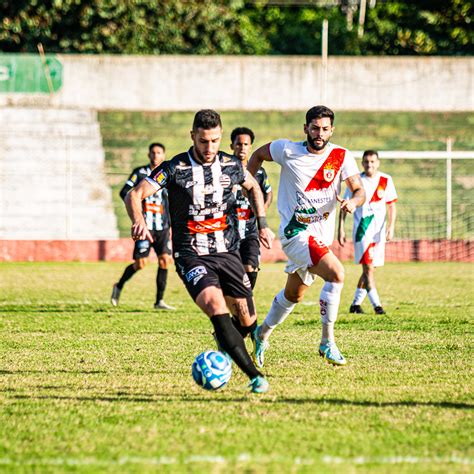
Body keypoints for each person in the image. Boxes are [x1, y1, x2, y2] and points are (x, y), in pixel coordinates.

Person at [124, 109, 274, 393]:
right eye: (204, 141)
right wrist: (139, 221)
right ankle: (255, 376)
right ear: (192, 136)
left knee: (246, 317)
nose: (209, 148)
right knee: (215, 306)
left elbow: (254, 188)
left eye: (215, 141)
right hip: (190, 253)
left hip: (228, 252)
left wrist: (262, 223)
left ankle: (225, 344)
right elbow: (135, 193)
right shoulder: (174, 168)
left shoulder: (231, 166)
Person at [247, 105, 365, 367]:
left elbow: (358, 190)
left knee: (294, 294)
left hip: (320, 238)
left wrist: (353, 203)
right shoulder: (287, 149)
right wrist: (248, 185)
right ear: (306, 128)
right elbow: (256, 155)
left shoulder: (341, 157)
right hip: (296, 234)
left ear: (332, 130)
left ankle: (261, 334)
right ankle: (327, 342)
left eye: (324, 129)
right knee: (336, 274)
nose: (319, 133)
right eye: (314, 128)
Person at [111, 143, 175, 310]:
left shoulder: (167, 173)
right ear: (149, 155)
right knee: (141, 263)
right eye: (153, 153)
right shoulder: (140, 173)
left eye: (159, 153)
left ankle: (159, 301)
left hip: (162, 226)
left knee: (165, 260)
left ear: (163, 155)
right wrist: (137, 213)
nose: (155, 156)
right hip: (145, 226)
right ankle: (118, 285)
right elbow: (124, 191)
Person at [338, 150, 397, 315]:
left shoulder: (386, 180)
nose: (369, 165)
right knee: (368, 270)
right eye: (366, 162)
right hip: (362, 231)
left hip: (379, 232)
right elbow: (344, 206)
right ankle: (377, 306)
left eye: (372, 161)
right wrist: (341, 229)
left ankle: (355, 305)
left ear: (377, 163)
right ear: (362, 163)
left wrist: (390, 227)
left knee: (370, 269)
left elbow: (391, 205)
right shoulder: (357, 182)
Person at [230, 127, 273, 289]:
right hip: (228, 230)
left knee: (251, 267)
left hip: (250, 229)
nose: (242, 148)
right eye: (238, 144)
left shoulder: (260, 172)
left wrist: (262, 209)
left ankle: (244, 299)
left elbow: (268, 193)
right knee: (230, 270)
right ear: (232, 146)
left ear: (250, 146)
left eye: (245, 144)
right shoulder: (224, 169)